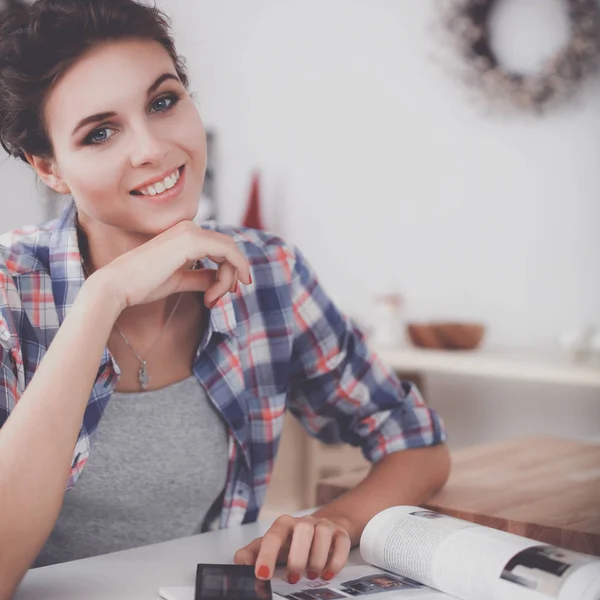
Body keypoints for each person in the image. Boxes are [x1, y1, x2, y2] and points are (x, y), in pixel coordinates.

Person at [0, 0, 450, 597]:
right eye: (100, 132)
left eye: (163, 102)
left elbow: (416, 442)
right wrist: (101, 300)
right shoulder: (9, 290)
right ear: (50, 168)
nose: (152, 149)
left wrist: (336, 520)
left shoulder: (267, 271)